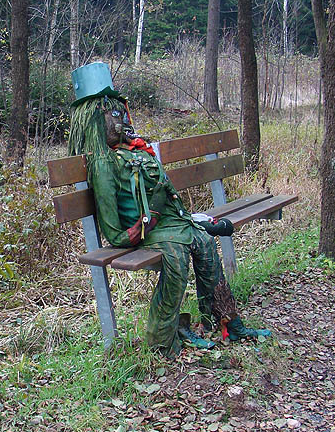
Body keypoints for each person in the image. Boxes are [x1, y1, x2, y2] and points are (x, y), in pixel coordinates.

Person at [68, 62, 271, 357]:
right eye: (113, 114)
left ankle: (227, 322)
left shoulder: (136, 151)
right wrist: (135, 232)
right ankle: (162, 339)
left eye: (122, 112)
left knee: (204, 242)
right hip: (147, 231)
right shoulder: (104, 162)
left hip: (168, 222)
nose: (122, 119)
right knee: (176, 255)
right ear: (95, 121)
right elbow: (113, 227)